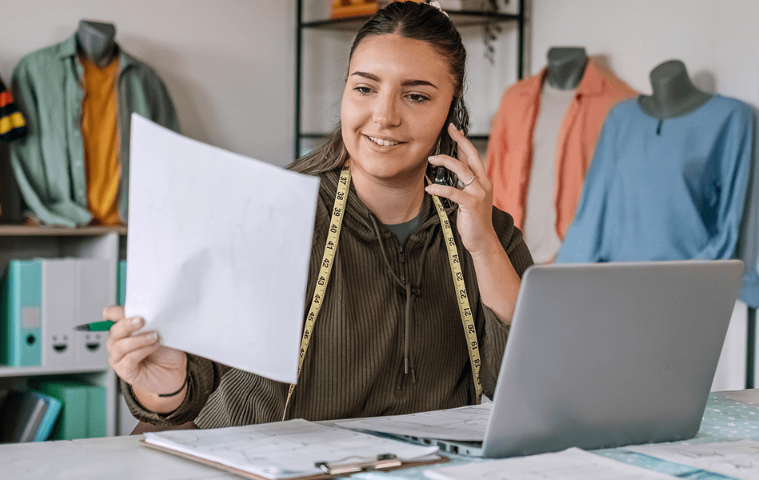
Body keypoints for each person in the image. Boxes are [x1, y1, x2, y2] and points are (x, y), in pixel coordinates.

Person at [105, 1, 533, 431]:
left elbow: (529, 388)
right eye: (364, 89)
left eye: (416, 96)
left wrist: (483, 248)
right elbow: (185, 385)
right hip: (268, 463)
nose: (384, 117)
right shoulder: (272, 211)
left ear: (450, 110)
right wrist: (163, 386)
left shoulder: (486, 231)